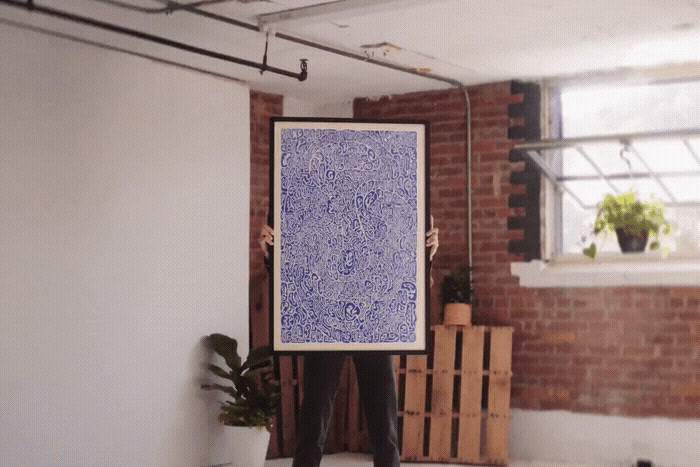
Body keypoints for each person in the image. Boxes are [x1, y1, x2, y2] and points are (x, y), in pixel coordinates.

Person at [259, 217, 438, 467]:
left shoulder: (389, 191)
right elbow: (301, 259)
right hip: (326, 319)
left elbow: (402, 265)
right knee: (313, 425)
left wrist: (426, 252)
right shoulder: (319, 193)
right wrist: (272, 254)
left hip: (374, 322)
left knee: (384, 432)